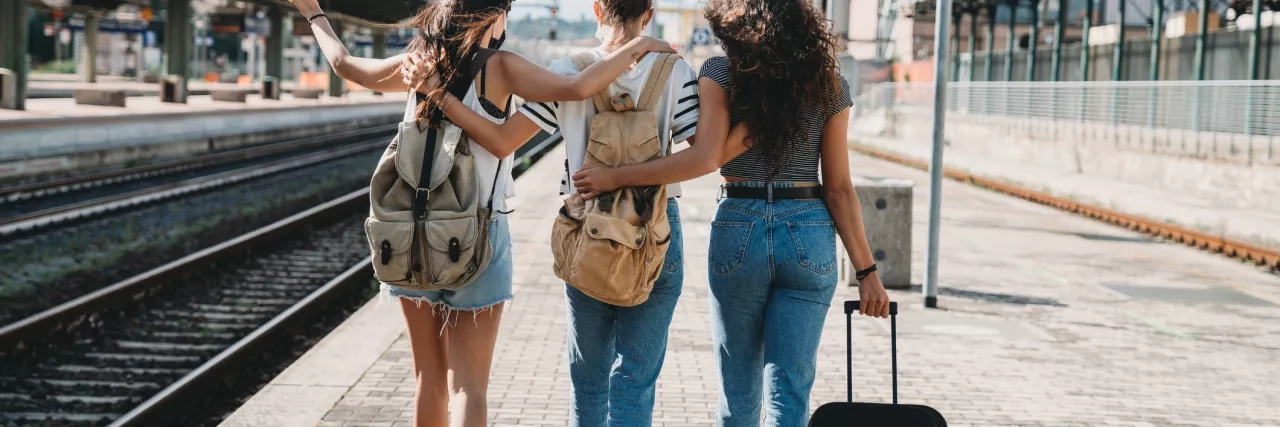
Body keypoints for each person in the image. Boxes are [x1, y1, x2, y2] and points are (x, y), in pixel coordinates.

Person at [285, 0, 674, 426]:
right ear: (495, 16)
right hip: (479, 237)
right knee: (468, 386)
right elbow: (579, 88)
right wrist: (638, 46)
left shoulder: (418, 62)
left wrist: (313, 13)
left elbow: (346, 66)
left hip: (411, 237)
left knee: (427, 379)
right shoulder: (500, 67)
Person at [570, 0, 893, 425]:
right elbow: (838, 188)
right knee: (790, 391)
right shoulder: (827, 83)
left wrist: (618, 176)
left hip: (740, 223)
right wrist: (867, 273)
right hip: (808, 228)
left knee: (738, 392)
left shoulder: (721, 74)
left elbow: (709, 158)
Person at [404, 1, 703, 424]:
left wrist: (437, 94)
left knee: (588, 381)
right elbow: (701, 154)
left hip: (586, 228)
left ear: (597, 9)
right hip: (655, 232)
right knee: (637, 379)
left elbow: (506, 138)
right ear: (649, 13)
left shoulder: (569, 68)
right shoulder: (675, 71)